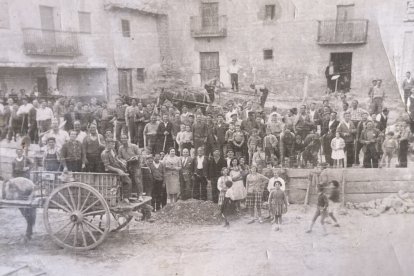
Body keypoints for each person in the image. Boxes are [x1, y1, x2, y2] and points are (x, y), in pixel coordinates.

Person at [101, 138, 133, 203]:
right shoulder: (104, 153)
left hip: (118, 168)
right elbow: (107, 166)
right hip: (111, 171)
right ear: (107, 144)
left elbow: (116, 158)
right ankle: (125, 198)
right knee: (128, 181)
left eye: (114, 144)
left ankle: (123, 197)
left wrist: (122, 162)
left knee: (127, 179)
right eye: (112, 144)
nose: (113, 145)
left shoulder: (113, 150)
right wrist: (118, 170)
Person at [118, 134, 143, 201]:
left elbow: (139, 154)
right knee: (127, 180)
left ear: (127, 139)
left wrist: (135, 157)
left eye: (125, 138)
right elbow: (119, 157)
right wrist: (123, 161)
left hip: (135, 164)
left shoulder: (133, 146)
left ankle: (140, 195)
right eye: (122, 138)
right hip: (127, 165)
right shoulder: (120, 148)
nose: (123, 140)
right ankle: (127, 196)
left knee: (137, 179)